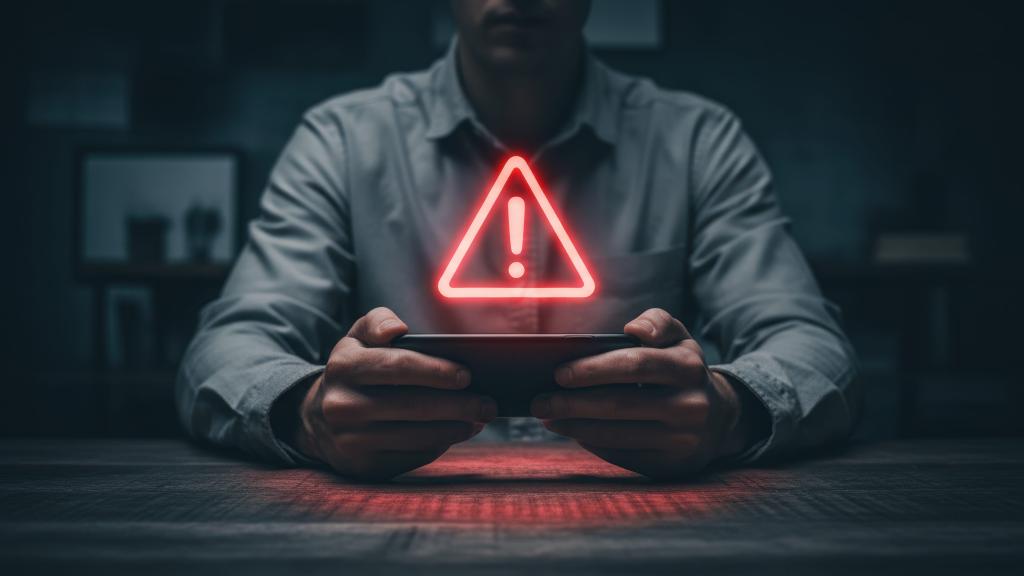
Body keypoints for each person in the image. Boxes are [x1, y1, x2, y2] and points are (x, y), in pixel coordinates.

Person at [176, 0, 859, 480]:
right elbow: (228, 347)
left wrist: (729, 412)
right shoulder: (343, 141)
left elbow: (811, 344)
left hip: (641, 525)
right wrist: (308, 414)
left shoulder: (697, 141)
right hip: (400, 522)